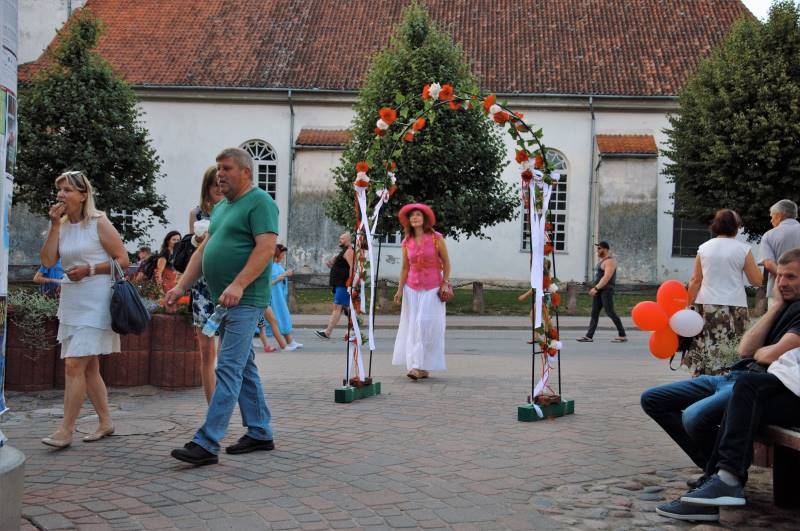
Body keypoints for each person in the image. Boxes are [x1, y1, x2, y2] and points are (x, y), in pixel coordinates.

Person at [642, 248, 800, 523]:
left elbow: (767, 355)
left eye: (792, 277)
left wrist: (763, 352)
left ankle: (723, 480)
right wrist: (773, 309)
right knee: (653, 399)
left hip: (758, 384)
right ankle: (716, 475)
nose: (782, 283)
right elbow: (746, 349)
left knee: (696, 416)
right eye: (781, 276)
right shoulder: (785, 307)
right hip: (737, 377)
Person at [165, 147, 278, 466]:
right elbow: (203, 252)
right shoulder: (223, 207)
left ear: (246, 172)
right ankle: (259, 431)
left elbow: (266, 248)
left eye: (227, 168)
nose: (220, 174)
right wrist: (180, 286)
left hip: (245, 300)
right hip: (222, 300)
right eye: (218, 168)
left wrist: (239, 283)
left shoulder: (261, 202)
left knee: (227, 367)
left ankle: (207, 441)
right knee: (244, 365)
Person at [39, 170, 129, 449]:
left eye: (66, 190)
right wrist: (54, 226)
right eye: (59, 190)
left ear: (83, 194)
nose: (61, 195)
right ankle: (105, 421)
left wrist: (90, 268)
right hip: (72, 301)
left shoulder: (98, 222)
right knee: (89, 369)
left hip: (97, 300)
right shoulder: (62, 225)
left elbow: (123, 259)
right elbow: (47, 259)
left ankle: (66, 430)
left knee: (74, 363)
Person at [685, 209, 763, 375]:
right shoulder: (744, 249)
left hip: (707, 305)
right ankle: (729, 379)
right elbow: (756, 280)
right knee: (734, 346)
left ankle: (704, 379)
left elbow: (695, 280)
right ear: (736, 227)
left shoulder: (704, 248)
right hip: (735, 307)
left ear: (716, 225)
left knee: (708, 344)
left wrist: (688, 304)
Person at [391, 203, 451, 380]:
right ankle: (417, 366)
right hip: (411, 288)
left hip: (432, 287)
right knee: (412, 327)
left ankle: (422, 365)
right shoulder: (406, 242)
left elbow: (446, 263)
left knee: (425, 326)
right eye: (412, 216)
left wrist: (445, 282)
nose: (415, 218)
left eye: (418, 215)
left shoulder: (436, 238)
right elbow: (404, 268)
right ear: (408, 221)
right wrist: (400, 289)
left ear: (424, 219)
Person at [188, 166, 224, 403]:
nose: (219, 191)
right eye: (215, 186)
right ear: (207, 188)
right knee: (206, 350)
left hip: (226, 285)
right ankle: (212, 404)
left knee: (228, 350)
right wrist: (195, 240)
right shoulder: (197, 213)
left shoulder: (234, 210)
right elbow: (192, 249)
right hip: (202, 288)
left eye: (222, 185)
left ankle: (225, 399)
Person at [576, 241, 627, 343]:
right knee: (594, 313)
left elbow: (607, 277)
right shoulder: (602, 261)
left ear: (605, 249)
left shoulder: (610, 261)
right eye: (597, 248)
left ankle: (622, 335)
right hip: (600, 291)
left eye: (599, 248)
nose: (597, 251)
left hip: (606, 291)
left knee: (610, 312)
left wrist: (596, 288)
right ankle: (589, 336)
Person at [760, 199, 800, 308]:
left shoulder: (769, 235)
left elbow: (768, 263)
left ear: (779, 215)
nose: (771, 220)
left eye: (772, 216)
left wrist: (785, 279)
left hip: (779, 293)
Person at [315, 232, 354, 340]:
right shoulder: (344, 251)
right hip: (340, 284)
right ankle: (355, 329)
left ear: (348, 240)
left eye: (342, 238)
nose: (339, 240)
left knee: (338, 307)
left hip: (343, 284)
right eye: (340, 238)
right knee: (346, 309)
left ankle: (328, 332)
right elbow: (341, 264)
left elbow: (352, 267)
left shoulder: (349, 251)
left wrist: (350, 282)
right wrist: (333, 263)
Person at [265, 244, 302, 350]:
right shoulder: (271, 265)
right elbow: (269, 282)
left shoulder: (276, 265)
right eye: (283, 253)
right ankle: (285, 343)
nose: (284, 256)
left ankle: (288, 341)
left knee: (279, 318)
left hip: (279, 296)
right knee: (276, 319)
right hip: (274, 298)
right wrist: (284, 275)